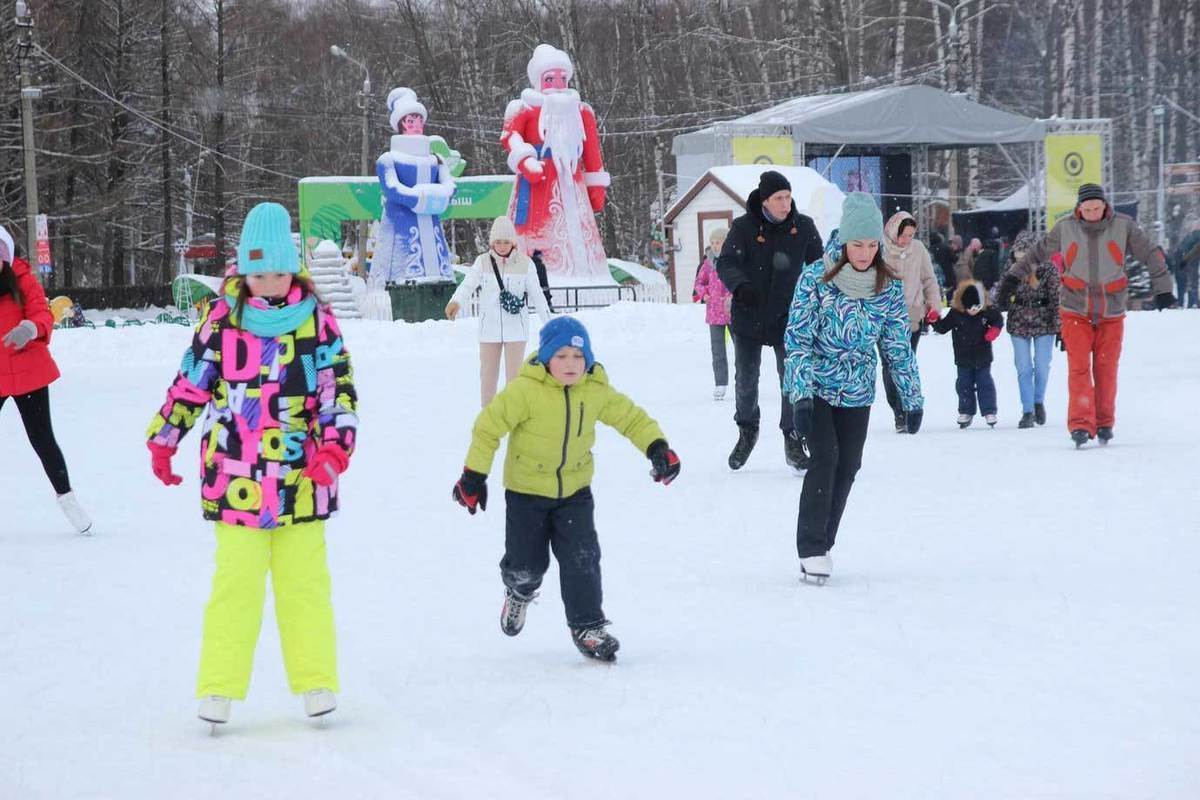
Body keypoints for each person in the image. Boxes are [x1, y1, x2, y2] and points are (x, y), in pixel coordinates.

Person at [146, 203, 358, 727]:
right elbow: (191, 383)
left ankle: (316, 682)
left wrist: (335, 448)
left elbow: (337, 391)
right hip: (235, 478)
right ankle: (218, 687)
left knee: (305, 587)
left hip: (303, 481)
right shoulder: (221, 320)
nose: (269, 283)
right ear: (243, 271)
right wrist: (165, 438)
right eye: (259, 273)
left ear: (294, 271)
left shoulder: (318, 321)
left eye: (279, 272)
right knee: (234, 587)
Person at [452, 316, 679, 662]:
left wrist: (657, 448)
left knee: (583, 560)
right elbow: (488, 428)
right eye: (561, 356)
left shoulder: (595, 389)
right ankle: (519, 590)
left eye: (578, 355)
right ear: (544, 358)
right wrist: (473, 476)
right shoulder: (525, 391)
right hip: (526, 493)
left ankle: (587, 626)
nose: (571, 364)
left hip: (575, 492)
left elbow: (631, 418)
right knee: (527, 564)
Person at [783, 193, 923, 584]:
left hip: (858, 389)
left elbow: (897, 346)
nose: (864, 252)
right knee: (825, 456)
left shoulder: (887, 285)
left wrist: (911, 399)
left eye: (872, 245)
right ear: (844, 241)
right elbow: (796, 341)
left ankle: (824, 543)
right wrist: (801, 395)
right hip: (817, 385)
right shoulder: (816, 278)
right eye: (857, 244)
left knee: (849, 464)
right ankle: (810, 546)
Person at [1002, 183, 1174, 447]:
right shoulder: (1065, 227)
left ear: (1105, 205)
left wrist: (1163, 287)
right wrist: (1012, 278)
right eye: (1087, 208)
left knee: (1106, 368)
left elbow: (1150, 253)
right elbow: (1037, 253)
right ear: (1079, 208)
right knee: (1079, 367)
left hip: (1111, 310)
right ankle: (1081, 424)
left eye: (1097, 207)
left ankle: (1104, 422)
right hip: (1074, 308)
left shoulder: (1123, 225)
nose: (1093, 213)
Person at [716, 170, 824, 472]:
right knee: (746, 380)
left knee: (790, 379)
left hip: (789, 318)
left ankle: (792, 436)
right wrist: (741, 286)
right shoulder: (743, 227)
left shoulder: (803, 227)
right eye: (779, 198)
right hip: (748, 316)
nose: (786, 203)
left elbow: (820, 268)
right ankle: (747, 430)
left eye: (788, 197)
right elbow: (725, 262)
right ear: (765, 200)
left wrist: (816, 301)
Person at [0, 227, 91, 534]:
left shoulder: (23, 279)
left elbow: (43, 313)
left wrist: (31, 327)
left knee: (42, 439)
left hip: (28, 370)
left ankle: (68, 500)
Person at [446, 216, 553, 407]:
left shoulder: (526, 264)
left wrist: (550, 324)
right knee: (488, 376)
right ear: (492, 242)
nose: (502, 246)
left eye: (506, 241)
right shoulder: (482, 262)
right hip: (489, 329)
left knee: (515, 378)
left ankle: (513, 416)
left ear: (513, 242)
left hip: (516, 330)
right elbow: (468, 285)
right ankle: (488, 415)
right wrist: (456, 301)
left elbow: (537, 295)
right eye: (498, 242)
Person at [880, 211, 941, 433]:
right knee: (889, 365)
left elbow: (929, 279)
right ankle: (898, 409)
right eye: (903, 235)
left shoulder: (918, 250)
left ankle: (908, 408)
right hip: (885, 318)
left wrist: (934, 304)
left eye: (910, 235)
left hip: (912, 315)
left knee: (906, 363)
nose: (906, 240)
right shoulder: (880, 250)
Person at [995, 231, 1059, 428]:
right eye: (1018, 255)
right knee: (1023, 368)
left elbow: (1057, 298)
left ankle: (1038, 401)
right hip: (1019, 322)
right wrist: (1002, 298)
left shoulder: (1048, 269)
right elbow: (999, 294)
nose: (1020, 260)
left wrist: (1060, 327)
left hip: (1043, 321)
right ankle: (1028, 410)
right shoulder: (1010, 270)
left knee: (1041, 366)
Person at [933, 280, 1004, 428]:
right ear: (964, 305)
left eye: (977, 307)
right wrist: (933, 320)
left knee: (984, 383)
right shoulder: (955, 314)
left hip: (982, 356)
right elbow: (943, 327)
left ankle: (989, 411)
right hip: (963, 357)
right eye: (970, 307)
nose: (974, 310)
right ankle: (966, 411)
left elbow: (998, 319)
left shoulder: (986, 312)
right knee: (964, 384)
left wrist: (994, 330)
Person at [692, 227, 732, 400]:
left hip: (732, 312)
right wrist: (705, 294)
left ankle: (744, 382)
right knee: (718, 350)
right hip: (714, 313)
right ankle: (720, 383)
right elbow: (699, 283)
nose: (716, 246)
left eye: (719, 242)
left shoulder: (733, 260)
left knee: (743, 350)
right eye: (713, 242)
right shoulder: (707, 264)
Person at [1173, 216, 1200, 309]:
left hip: (1192, 263)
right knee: (1193, 283)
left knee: (1193, 283)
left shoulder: (1192, 236)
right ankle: (1194, 302)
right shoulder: (1191, 237)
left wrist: (1184, 261)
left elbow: (1193, 250)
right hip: (1192, 263)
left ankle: (1194, 302)